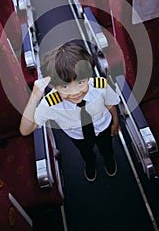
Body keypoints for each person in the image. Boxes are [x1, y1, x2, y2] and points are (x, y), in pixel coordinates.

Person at [20, 42, 120, 182]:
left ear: (89, 77)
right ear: (53, 85)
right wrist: (35, 96)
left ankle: (109, 160)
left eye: (80, 83)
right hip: (78, 136)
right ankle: (90, 163)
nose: (75, 93)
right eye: (65, 86)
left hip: (103, 127)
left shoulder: (99, 85)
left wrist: (115, 122)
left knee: (107, 149)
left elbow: (110, 104)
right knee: (86, 153)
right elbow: (25, 130)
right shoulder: (51, 103)